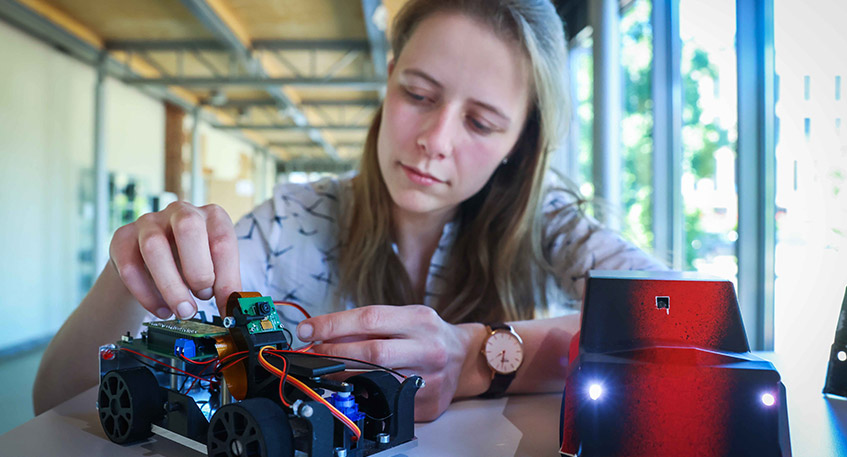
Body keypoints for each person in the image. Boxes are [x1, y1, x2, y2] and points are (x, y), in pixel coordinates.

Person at [32, 0, 664, 421]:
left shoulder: (549, 226)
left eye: (480, 121)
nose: (435, 140)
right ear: (388, 81)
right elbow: (55, 402)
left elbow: (696, 322)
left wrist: (480, 357)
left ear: (519, 143)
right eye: (418, 94)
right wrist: (134, 272)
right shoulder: (296, 219)